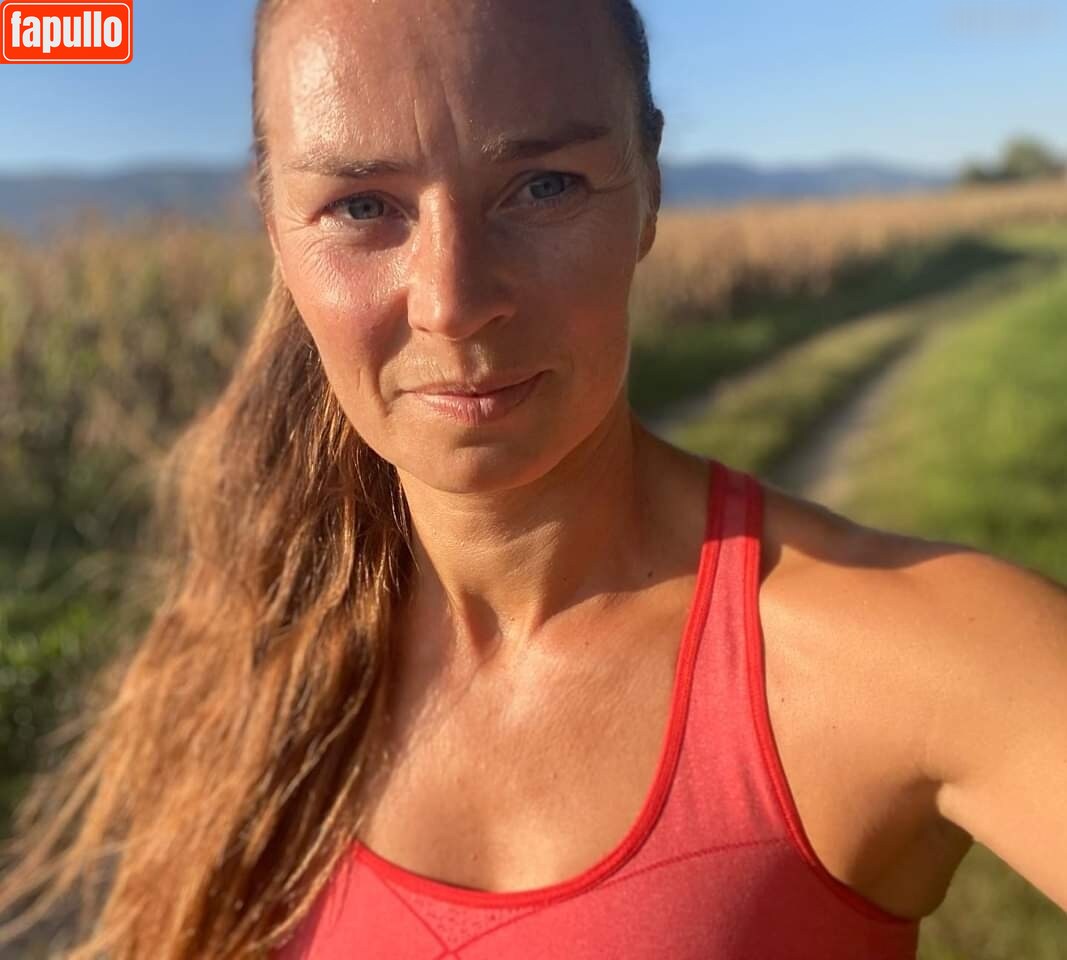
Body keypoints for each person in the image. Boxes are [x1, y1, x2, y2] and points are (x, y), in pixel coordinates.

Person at [1, 0, 1065, 957]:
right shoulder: (246, 655)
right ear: (276, 228)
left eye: (542, 185)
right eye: (362, 206)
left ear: (647, 191)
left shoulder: (907, 655)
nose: (452, 300)